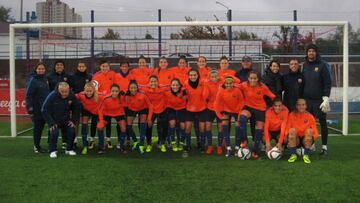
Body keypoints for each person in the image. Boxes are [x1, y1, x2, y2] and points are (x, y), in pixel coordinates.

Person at [236, 71, 276, 159]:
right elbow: (234, 85)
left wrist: (276, 106)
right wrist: (222, 85)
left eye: (255, 78)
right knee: (242, 119)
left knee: (258, 129)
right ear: (248, 78)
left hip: (260, 109)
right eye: (251, 78)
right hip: (248, 107)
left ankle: (254, 150)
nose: (253, 80)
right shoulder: (244, 85)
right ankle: (244, 140)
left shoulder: (263, 87)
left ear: (258, 79)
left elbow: (273, 96)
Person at [302, 44, 332, 155]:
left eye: (313, 51)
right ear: (307, 53)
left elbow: (327, 82)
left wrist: (326, 97)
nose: (311, 53)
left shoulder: (322, 65)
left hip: (319, 100)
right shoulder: (304, 65)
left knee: (322, 122)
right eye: (309, 51)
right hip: (307, 100)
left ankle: (324, 147)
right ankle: (311, 143)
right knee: (308, 123)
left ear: (316, 53)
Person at [42, 82, 80, 158]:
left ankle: (69, 149)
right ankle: (52, 150)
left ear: (69, 89)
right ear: (58, 90)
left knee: (72, 130)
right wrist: (51, 123)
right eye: (62, 92)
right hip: (54, 120)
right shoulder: (52, 95)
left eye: (66, 91)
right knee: (54, 132)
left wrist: (73, 120)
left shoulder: (72, 95)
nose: (64, 93)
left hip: (66, 119)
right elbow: (44, 109)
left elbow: (77, 108)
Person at [214, 76, 244, 157]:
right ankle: (229, 148)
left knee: (238, 126)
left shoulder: (237, 90)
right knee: (224, 125)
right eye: (227, 83)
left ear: (233, 84)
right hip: (226, 110)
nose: (228, 85)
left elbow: (242, 102)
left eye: (230, 83)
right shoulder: (221, 91)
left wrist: (239, 114)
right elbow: (216, 105)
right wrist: (220, 116)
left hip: (237, 111)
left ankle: (237, 148)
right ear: (224, 84)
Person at [182, 69, 209, 157]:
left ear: (198, 75)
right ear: (189, 76)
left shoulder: (203, 82)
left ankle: (201, 144)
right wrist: (183, 94)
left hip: (202, 108)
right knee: (188, 127)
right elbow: (183, 95)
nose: (193, 77)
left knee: (202, 127)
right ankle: (188, 144)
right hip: (190, 109)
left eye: (194, 75)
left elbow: (205, 95)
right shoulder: (185, 83)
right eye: (191, 75)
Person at [25, 63, 50, 153]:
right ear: (36, 70)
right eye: (39, 69)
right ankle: (36, 147)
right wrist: (30, 109)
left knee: (43, 127)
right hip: (36, 109)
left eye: (42, 69)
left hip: (45, 109)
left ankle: (43, 145)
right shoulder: (33, 80)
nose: (41, 70)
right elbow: (28, 96)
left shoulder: (45, 78)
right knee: (37, 128)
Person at [92, 60, 117, 148]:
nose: (105, 68)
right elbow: (94, 91)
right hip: (100, 103)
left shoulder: (113, 74)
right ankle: (93, 140)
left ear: (109, 67)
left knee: (108, 121)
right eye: (103, 66)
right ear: (100, 67)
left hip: (110, 102)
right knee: (98, 121)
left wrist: (111, 95)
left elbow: (116, 87)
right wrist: (102, 94)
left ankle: (108, 140)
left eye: (106, 66)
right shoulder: (96, 77)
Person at [286, 98, 319, 164]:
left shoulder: (310, 116)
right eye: (299, 105)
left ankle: (306, 155)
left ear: (306, 106)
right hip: (296, 139)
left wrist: (311, 140)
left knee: (309, 131)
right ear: (296, 106)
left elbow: (316, 133)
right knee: (292, 130)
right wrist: (288, 139)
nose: (301, 106)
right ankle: (293, 155)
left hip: (306, 139)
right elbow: (287, 129)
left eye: (303, 105)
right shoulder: (291, 115)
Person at [75, 82, 105, 155]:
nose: (88, 93)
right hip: (86, 111)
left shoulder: (100, 96)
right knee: (84, 126)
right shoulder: (81, 95)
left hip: (96, 112)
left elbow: (109, 96)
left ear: (94, 90)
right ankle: (85, 145)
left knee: (100, 128)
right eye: (87, 91)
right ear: (84, 90)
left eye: (90, 91)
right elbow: (72, 96)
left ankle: (101, 147)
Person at [97, 84, 127, 154]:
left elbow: (129, 94)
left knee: (123, 129)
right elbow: (100, 110)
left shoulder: (122, 97)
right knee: (99, 127)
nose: (114, 93)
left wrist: (126, 93)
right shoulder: (106, 98)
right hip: (107, 114)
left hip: (119, 113)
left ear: (119, 91)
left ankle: (122, 146)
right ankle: (101, 147)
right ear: (110, 91)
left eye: (116, 91)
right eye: (113, 91)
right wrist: (101, 121)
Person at [125, 80, 153, 154]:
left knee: (142, 126)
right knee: (128, 127)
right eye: (131, 88)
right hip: (132, 109)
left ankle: (141, 144)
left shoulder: (143, 94)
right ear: (128, 88)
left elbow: (150, 106)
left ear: (137, 88)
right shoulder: (126, 95)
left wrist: (149, 118)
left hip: (143, 109)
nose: (133, 89)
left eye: (135, 87)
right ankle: (135, 141)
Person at [142, 76, 168, 153]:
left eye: (155, 81)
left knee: (163, 127)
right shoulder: (145, 90)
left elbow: (172, 86)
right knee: (148, 126)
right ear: (149, 83)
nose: (153, 83)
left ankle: (162, 142)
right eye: (151, 82)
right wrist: (149, 118)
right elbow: (136, 87)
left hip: (162, 110)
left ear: (158, 82)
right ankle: (149, 143)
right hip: (151, 111)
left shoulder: (162, 89)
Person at [70, 61, 92, 149]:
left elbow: (92, 89)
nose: (81, 68)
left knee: (85, 122)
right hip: (76, 103)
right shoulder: (72, 77)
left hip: (87, 103)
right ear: (77, 67)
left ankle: (85, 138)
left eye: (83, 66)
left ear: (85, 67)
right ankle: (74, 140)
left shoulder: (89, 77)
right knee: (76, 122)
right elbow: (70, 90)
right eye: (80, 66)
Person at [164, 78, 187, 152]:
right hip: (171, 109)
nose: (175, 86)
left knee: (183, 125)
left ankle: (182, 142)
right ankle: (172, 141)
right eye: (173, 85)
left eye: (177, 85)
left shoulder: (183, 92)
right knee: (172, 123)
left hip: (181, 109)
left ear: (180, 86)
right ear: (170, 85)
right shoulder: (167, 92)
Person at [203, 70, 222, 155]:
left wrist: (222, 78)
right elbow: (204, 96)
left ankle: (219, 146)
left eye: (215, 76)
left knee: (220, 127)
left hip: (220, 108)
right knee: (208, 126)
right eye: (212, 77)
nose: (214, 78)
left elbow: (237, 82)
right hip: (210, 108)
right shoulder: (207, 83)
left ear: (218, 76)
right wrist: (206, 88)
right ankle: (210, 146)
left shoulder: (222, 82)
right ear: (209, 77)